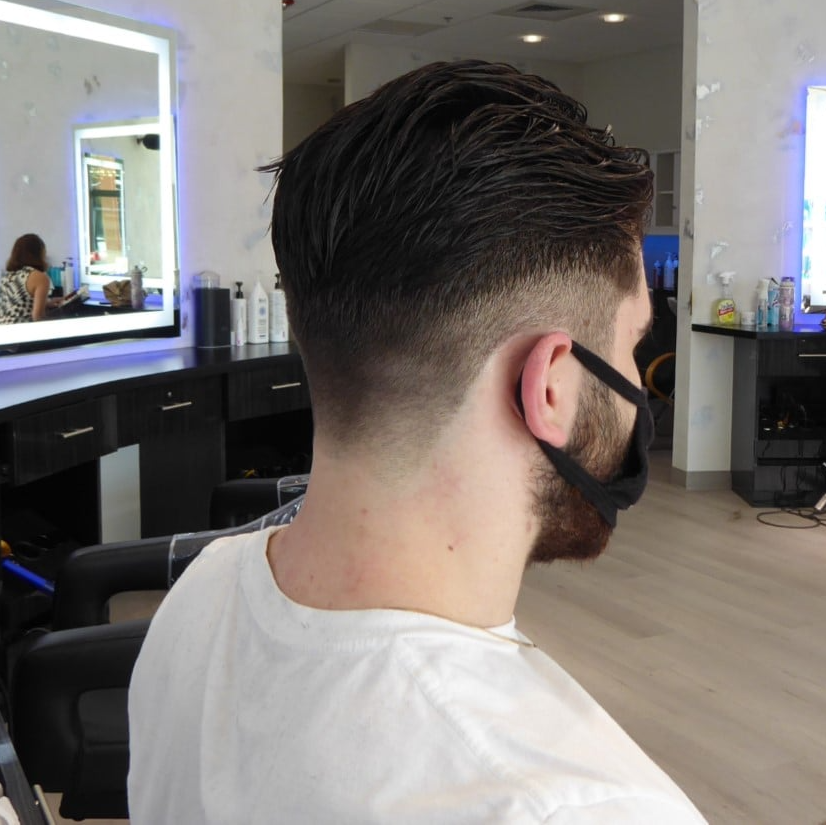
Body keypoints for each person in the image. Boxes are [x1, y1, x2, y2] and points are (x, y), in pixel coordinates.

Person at [128, 61, 707, 823]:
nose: (636, 380)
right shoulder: (582, 805)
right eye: (633, 343)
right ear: (550, 389)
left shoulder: (197, 596)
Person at [0, 233, 62, 323]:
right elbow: (37, 317)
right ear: (39, 253)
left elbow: (16, 306)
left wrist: (46, 304)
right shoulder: (40, 277)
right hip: (24, 332)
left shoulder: (7, 277)